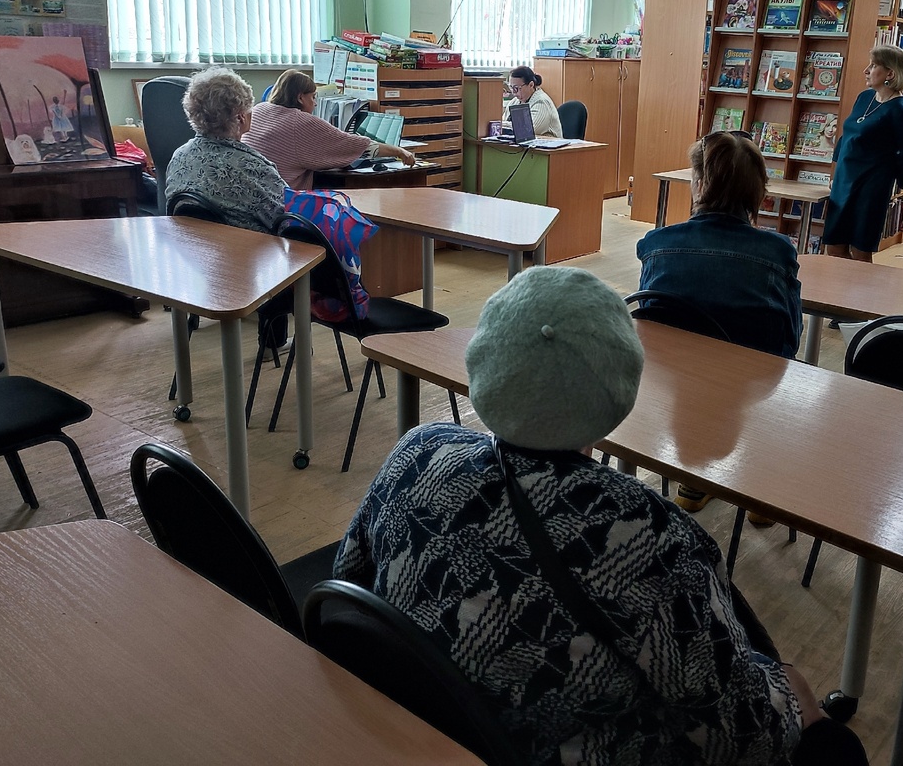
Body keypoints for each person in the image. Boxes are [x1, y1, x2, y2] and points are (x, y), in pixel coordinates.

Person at [334, 266, 866, 766]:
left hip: (412, 730)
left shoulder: (418, 450)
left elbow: (347, 584)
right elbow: (743, 736)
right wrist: (795, 701)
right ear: (621, 386)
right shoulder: (648, 539)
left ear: (485, 360)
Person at [635, 129, 801, 514]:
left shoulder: (656, 244)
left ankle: (692, 483)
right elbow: (789, 339)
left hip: (669, 381)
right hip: (752, 384)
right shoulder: (778, 252)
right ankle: (759, 492)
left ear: (697, 183)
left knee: (693, 359)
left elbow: (647, 322)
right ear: (758, 191)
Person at [823, 45, 903, 263]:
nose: (866, 70)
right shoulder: (864, 97)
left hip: (870, 188)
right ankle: (837, 295)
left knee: (860, 251)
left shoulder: (900, 111)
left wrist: (893, 180)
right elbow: (846, 136)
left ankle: (857, 297)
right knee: (834, 248)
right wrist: (835, 173)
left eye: (873, 65)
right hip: (843, 182)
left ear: (890, 73)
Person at [243, 69, 414, 190]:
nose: (315, 103)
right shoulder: (300, 122)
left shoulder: (259, 109)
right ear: (300, 97)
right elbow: (358, 146)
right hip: (283, 200)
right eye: (313, 97)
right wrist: (399, 152)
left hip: (254, 192)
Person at [165, 66, 285, 233]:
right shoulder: (253, 167)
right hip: (249, 254)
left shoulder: (179, 156)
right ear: (241, 116)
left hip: (192, 252)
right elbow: (288, 221)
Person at [504, 65, 563, 137]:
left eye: (516, 88)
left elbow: (529, 130)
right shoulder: (515, 101)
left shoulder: (541, 102)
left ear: (531, 85)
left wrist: (507, 125)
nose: (513, 92)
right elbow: (503, 123)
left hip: (546, 146)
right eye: (511, 87)